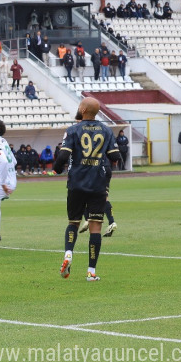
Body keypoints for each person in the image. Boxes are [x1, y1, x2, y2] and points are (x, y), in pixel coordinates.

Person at [54, 97, 122, 281]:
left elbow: (62, 156)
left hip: (76, 182)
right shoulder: (106, 130)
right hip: (98, 183)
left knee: (73, 222)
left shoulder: (73, 130)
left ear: (83, 109)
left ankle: (68, 254)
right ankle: (91, 271)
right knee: (95, 227)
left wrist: (56, 168)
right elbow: (116, 156)